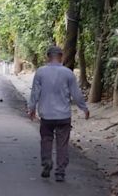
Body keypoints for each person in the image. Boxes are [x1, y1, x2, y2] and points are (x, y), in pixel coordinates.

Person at [28, 46, 90, 182]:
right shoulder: (68, 73)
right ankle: (60, 172)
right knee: (62, 144)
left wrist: (31, 108)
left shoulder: (40, 72)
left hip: (46, 115)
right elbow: (76, 94)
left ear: (47, 57)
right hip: (63, 116)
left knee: (46, 139)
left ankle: (46, 162)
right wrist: (84, 108)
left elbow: (35, 92)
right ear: (61, 57)